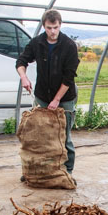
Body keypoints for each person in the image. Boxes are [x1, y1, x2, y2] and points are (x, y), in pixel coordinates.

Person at [16, 9, 80, 177]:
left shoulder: (69, 46)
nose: (52, 32)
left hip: (64, 97)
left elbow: (69, 77)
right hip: (42, 95)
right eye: (49, 28)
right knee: (38, 134)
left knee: (63, 136)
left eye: (56, 28)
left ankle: (67, 171)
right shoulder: (37, 43)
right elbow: (21, 61)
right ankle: (36, 169)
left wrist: (57, 99)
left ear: (60, 25)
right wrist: (24, 77)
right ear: (44, 26)